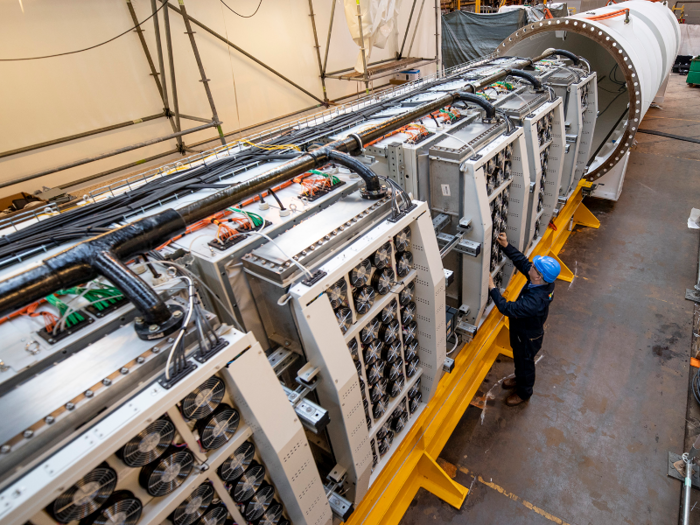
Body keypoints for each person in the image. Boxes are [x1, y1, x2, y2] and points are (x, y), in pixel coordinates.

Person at [487, 232, 561, 406]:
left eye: (534, 267)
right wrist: (506, 245)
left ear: (538, 276)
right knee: (520, 359)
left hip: (527, 337)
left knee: (526, 364)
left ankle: (524, 392)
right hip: (523, 331)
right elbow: (523, 262)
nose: (531, 267)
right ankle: (519, 378)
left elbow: (507, 308)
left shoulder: (535, 301)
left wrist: (492, 288)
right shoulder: (543, 282)